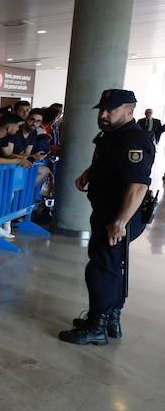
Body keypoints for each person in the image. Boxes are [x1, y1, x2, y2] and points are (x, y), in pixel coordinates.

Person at [59, 89, 154, 345]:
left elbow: (137, 185)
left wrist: (120, 222)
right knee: (111, 265)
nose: (103, 114)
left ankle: (97, 326)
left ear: (129, 110)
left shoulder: (133, 139)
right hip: (108, 212)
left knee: (101, 268)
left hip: (119, 216)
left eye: (110, 110)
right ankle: (110, 319)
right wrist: (90, 173)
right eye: (102, 109)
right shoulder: (113, 135)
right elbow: (111, 163)